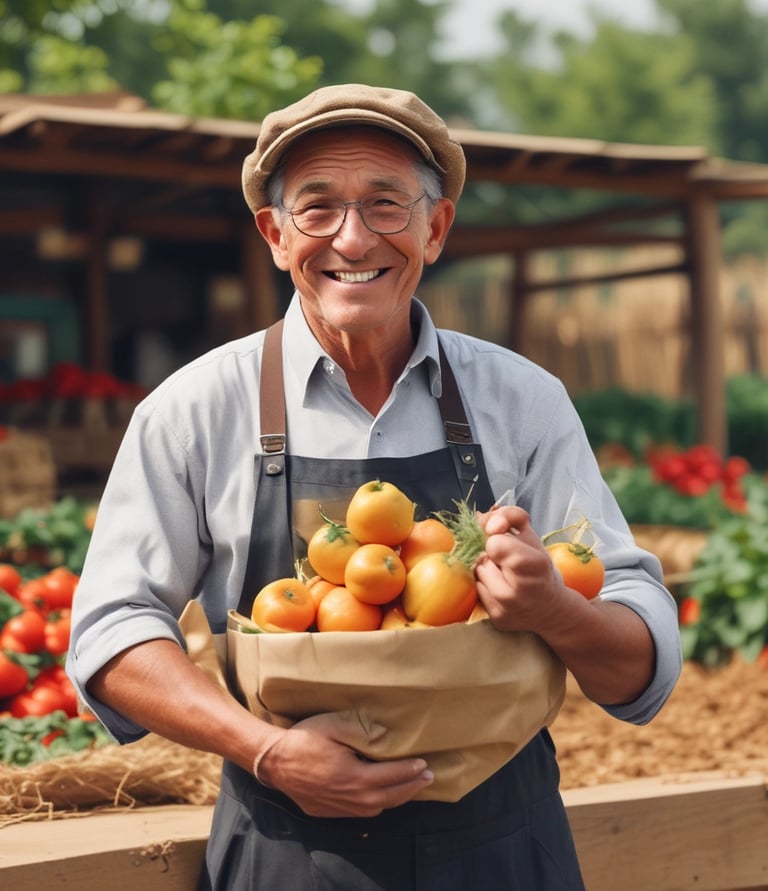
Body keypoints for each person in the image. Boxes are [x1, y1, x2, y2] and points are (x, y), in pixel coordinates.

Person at [67, 83, 682, 889]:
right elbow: (110, 633)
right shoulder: (194, 409)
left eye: (387, 204)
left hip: (503, 846)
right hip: (286, 852)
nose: (352, 238)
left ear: (436, 228)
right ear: (275, 235)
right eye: (317, 208)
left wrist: (554, 608)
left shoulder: (522, 399)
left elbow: (641, 670)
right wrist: (267, 749)